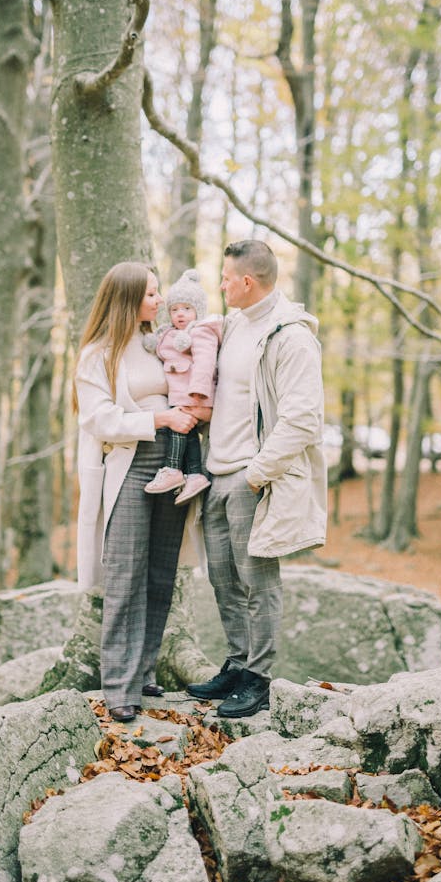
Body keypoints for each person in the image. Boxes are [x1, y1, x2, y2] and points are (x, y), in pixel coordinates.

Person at [186, 240, 327, 718]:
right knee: (223, 579)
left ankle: (260, 679)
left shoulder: (290, 336)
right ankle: (237, 664)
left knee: (257, 580)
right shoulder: (231, 327)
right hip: (216, 473)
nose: (221, 285)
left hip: (253, 477)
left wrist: (257, 472)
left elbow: (304, 417)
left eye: (226, 277)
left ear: (247, 281)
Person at [74, 261, 199, 723]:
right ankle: (118, 686)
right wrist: (160, 419)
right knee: (125, 574)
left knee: (161, 572)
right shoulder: (98, 355)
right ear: (127, 299)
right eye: (150, 293)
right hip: (131, 464)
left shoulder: (159, 344)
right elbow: (98, 419)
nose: (160, 300)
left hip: (176, 465)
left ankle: (144, 669)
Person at [144, 269, 221, 506]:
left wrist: (198, 390)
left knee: (178, 429)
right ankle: (196, 474)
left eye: (186, 309)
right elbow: (162, 348)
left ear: (198, 310)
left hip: (194, 394)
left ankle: (173, 467)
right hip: (182, 394)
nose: (180, 314)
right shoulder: (171, 333)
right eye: (175, 310)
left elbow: (206, 361)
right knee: (185, 432)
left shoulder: (201, 332)